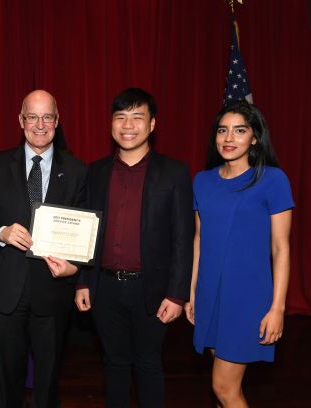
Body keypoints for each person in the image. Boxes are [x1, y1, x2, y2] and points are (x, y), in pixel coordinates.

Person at [75, 88, 194, 407]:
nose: (128, 125)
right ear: (111, 124)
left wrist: (177, 294)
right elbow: (88, 231)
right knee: (114, 363)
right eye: (120, 117)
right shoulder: (96, 171)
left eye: (137, 117)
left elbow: (184, 237)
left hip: (153, 290)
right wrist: (84, 281)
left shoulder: (175, 172)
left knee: (148, 364)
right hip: (105, 288)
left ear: (152, 124)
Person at [0, 89, 87, 407]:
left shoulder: (78, 170)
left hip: (52, 290)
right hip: (6, 290)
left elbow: (85, 230)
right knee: (8, 378)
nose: (40, 124)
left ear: (57, 120)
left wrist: (75, 266)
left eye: (47, 116)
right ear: (20, 120)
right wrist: (2, 232)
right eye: (32, 116)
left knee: (49, 379)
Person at [185, 101, 293, 407]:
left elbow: (281, 248)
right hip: (210, 294)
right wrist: (193, 292)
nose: (229, 138)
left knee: (224, 388)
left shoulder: (272, 180)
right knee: (224, 386)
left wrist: (278, 308)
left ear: (254, 138)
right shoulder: (202, 181)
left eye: (239, 130)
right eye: (222, 130)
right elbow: (199, 239)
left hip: (247, 298)